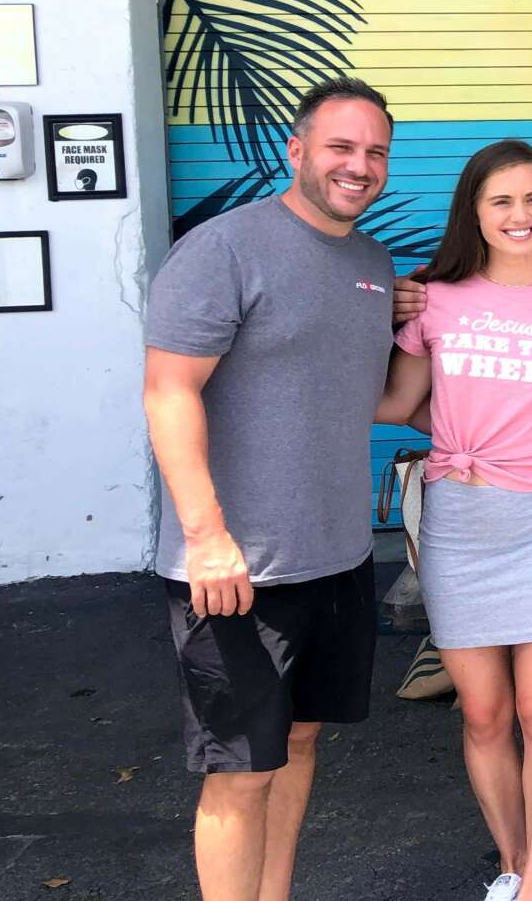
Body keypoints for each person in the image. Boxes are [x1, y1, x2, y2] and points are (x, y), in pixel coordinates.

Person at [142, 78, 399, 901]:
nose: (358, 166)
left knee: (299, 744)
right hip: (236, 570)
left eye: (375, 152)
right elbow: (168, 390)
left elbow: (368, 397)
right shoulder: (224, 249)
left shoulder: (371, 264)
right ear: (296, 150)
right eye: (340, 147)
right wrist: (206, 535)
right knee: (241, 772)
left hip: (337, 557)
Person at [376, 140, 532, 901]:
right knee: (485, 716)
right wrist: (358, 320)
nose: (520, 215)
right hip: (459, 526)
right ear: (475, 212)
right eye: (501, 201)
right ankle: (514, 862)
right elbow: (396, 404)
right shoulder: (434, 298)